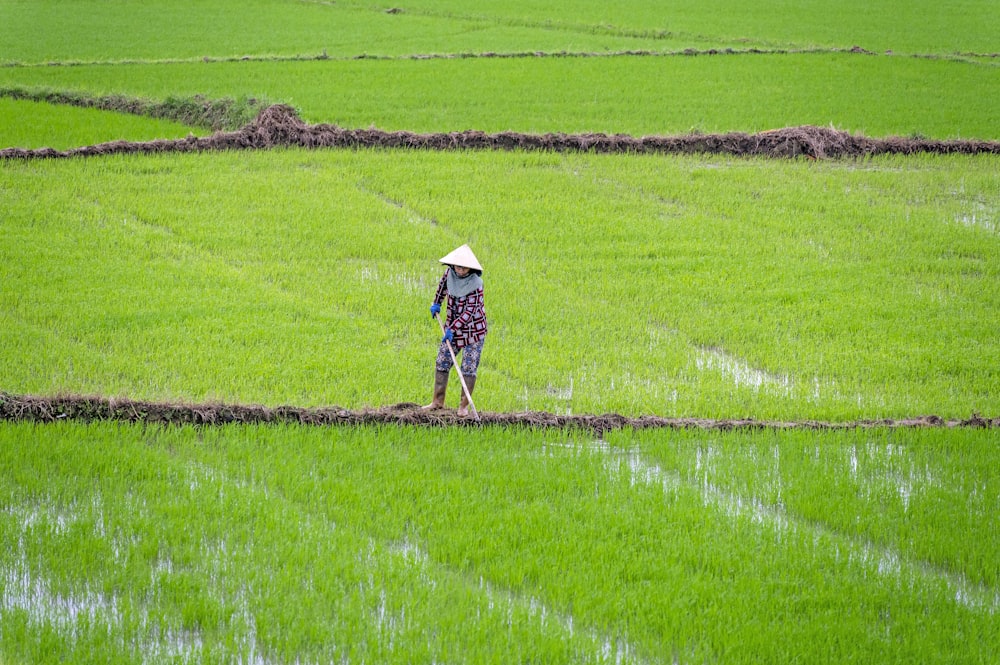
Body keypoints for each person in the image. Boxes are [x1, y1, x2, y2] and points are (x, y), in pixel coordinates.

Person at [422, 244, 487, 416]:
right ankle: (437, 402)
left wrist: (452, 329)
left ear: (470, 268)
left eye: (464, 267)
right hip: (452, 328)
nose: (460, 269)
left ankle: (463, 406)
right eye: (458, 266)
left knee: (468, 367)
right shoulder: (449, 274)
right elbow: (441, 289)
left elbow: (469, 312)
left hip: (474, 331)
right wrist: (436, 303)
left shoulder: (476, 285)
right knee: (442, 361)